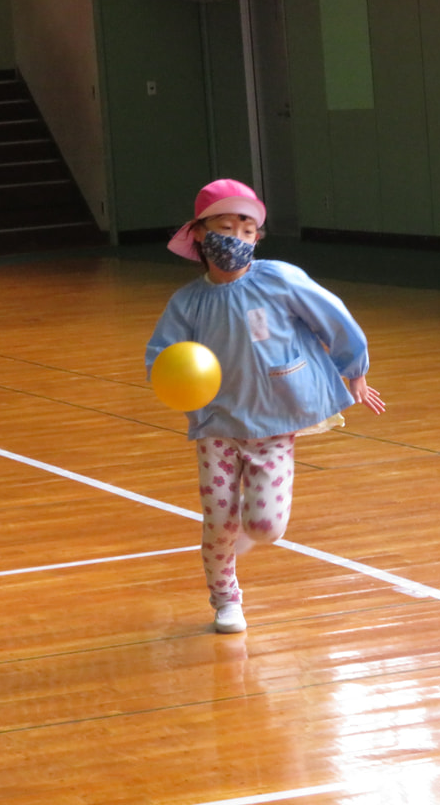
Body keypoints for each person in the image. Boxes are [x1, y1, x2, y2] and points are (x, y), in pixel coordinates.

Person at [146, 179, 385, 634]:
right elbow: (161, 355)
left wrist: (355, 369)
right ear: (198, 232)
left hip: (274, 422)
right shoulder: (188, 302)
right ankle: (225, 598)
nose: (235, 237)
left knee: (267, 526)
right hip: (217, 424)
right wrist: (168, 378)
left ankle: (250, 533)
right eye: (224, 226)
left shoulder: (279, 279)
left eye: (247, 229)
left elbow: (333, 316)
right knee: (219, 520)